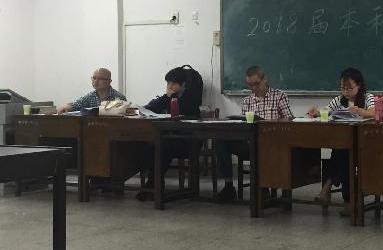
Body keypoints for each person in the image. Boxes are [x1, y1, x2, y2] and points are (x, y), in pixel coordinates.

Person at [216, 65, 294, 201]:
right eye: (250, 85)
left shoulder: (279, 96)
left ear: (265, 79)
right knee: (221, 141)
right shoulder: (248, 100)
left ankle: (264, 188)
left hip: (272, 143)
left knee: (263, 147)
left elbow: (289, 121)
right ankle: (229, 186)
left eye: (256, 84)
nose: (253, 88)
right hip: (251, 142)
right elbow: (243, 125)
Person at [309, 67, 375, 215]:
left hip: (365, 145)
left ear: (359, 85)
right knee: (341, 154)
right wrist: (316, 112)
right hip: (346, 144)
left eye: (349, 88)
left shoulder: (368, 97)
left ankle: (328, 189)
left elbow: (373, 112)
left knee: (341, 154)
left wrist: (359, 111)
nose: (346, 91)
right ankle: (349, 201)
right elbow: (326, 111)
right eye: (342, 88)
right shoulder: (339, 100)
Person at [136, 67, 202, 201]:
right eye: (168, 83)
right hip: (169, 138)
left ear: (183, 84)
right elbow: (150, 108)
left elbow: (185, 113)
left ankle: (153, 185)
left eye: (173, 83)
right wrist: (166, 97)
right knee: (149, 148)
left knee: (163, 147)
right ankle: (154, 183)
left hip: (188, 141)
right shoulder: (167, 97)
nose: (169, 86)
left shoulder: (191, 99)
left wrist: (172, 98)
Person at [57, 68, 125, 114]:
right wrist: (64, 107)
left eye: (100, 79)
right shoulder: (90, 96)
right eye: (94, 78)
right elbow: (76, 104)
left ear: (109, 81)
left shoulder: (118, 97)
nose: (96, 81)